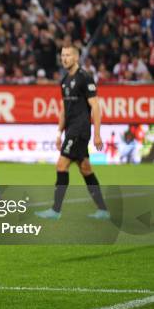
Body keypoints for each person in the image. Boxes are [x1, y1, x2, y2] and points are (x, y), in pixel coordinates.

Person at [35, 45, 109, 220]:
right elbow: (63, 109)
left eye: (68, 55)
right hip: (70, 130)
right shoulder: (64, 81)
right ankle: (103, 210)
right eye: (62, 55)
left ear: (76, 57)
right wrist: (59, 132)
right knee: (85, 169)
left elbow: (96, 107)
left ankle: (55, 210)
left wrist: (97, 134)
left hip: (80, 129)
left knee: (61, 165)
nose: (64, 58)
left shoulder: (85, 78)